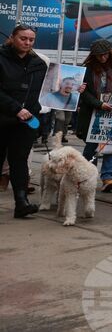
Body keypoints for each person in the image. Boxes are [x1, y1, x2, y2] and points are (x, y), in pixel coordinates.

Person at [0, 25, 46, 217]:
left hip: (26, 122)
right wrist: (16, 109)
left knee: (19, 161)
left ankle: (21, 203)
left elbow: (47, 91)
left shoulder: (39, 64)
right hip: (3, 118)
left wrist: (73, 89)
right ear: (12, 37)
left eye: (31, 40)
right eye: (23, 38)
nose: (27, 43)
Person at [77, 39, 112, 192]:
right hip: (91, 112)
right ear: (93, 55)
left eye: (105, 54)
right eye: (99, 55)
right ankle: (87, 177)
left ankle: (108, 178)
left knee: (111, 145)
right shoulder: (86, 69)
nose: (103, 57)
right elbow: (84, 93)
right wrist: (99, 104)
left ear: (110, 53)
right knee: (91, 146)